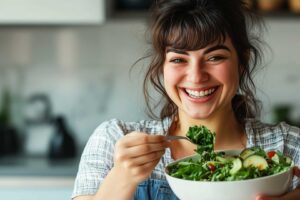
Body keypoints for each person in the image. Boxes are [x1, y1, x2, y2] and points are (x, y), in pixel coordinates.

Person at [72, 0, 300, 199]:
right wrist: (122, 176)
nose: (196, 76)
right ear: (162, 66)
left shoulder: (288, 146)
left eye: (214, 57)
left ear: (242, 62)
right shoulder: (114, 140)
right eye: (179, 59)